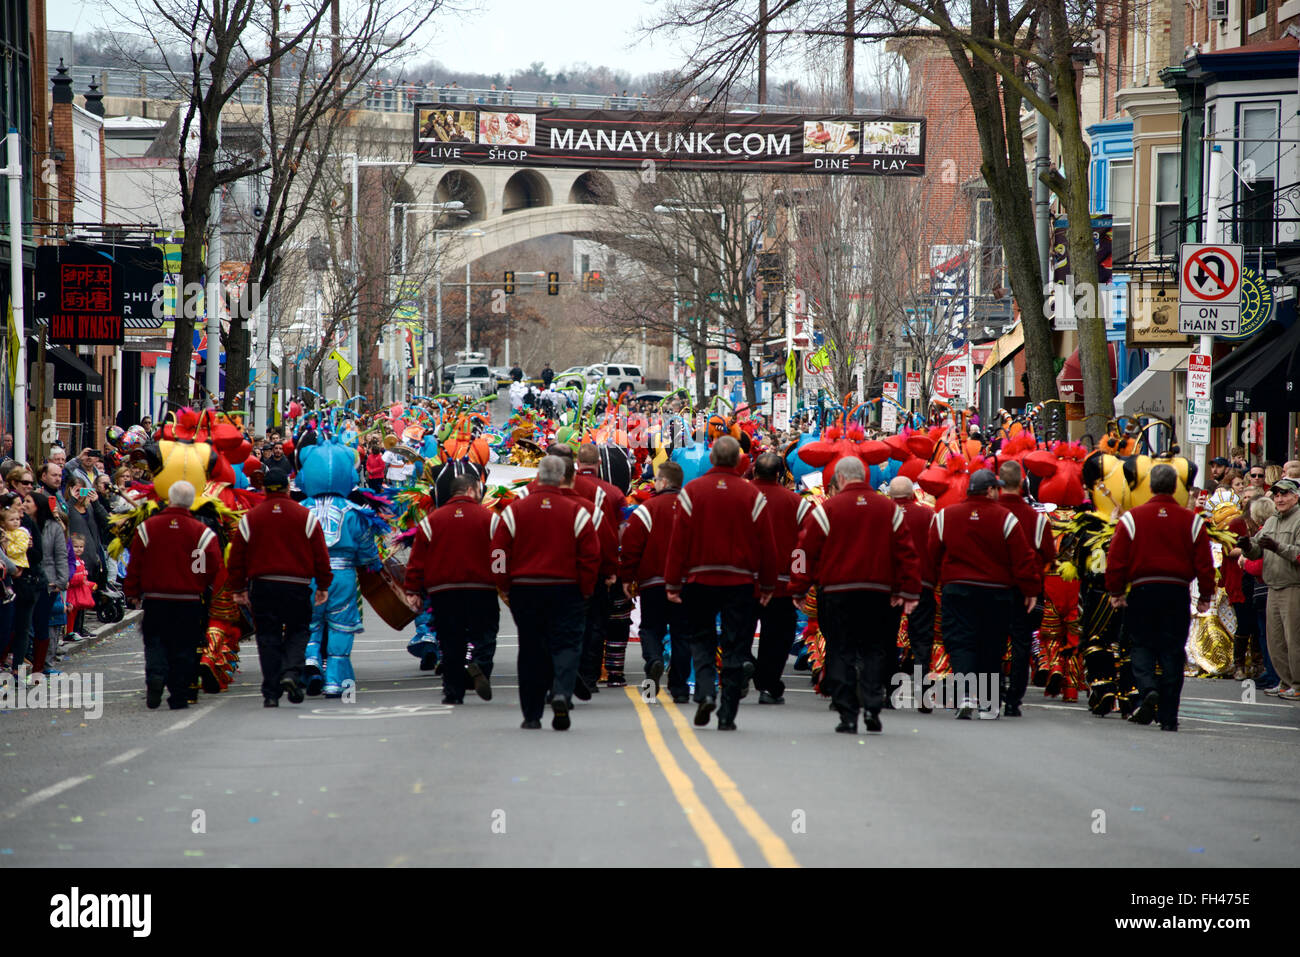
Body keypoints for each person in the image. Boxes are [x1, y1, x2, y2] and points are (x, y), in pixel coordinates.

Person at [792, 457, 921, 734]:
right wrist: (908, 589)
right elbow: (907, 552)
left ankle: (847, 713)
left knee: (840, 649)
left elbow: (801, 551)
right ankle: (873, 705)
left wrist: (798, 585)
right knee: (876, 648)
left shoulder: (827, 509)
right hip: (878, 591)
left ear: (839, 478)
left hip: (837, 590)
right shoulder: (888, 508)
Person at [664, 435, 778, 731]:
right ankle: (727, 712)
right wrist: (767, 585)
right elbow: (767, 544)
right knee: (735, 646)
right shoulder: (752, 495)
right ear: (738, 461)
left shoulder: (692, 492)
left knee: (701, 639)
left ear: (712, 459)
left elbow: (678, 542)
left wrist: (673, 582)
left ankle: (705, 691)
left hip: (699, 579)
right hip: (740, 581)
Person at [490, 455, 600, 730]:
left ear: (537, 477)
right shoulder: (577, 512)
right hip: (567, 588)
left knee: (530, 648)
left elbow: (498, 552)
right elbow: (590, 556)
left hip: (525, 588)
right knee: (567, 644)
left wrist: (503, 582)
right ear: (563, 478)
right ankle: (561, 692)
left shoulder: (515, 510)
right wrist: (586, 588)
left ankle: (532, 714)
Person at [1106, 465, 1215, 730]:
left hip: (1142, 589)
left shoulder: (1132, 518)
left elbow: (1116, 559)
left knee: (1141, 645)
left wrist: (1116, 592)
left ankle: (1148, 689)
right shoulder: (1191, 521)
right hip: (1176, 591)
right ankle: (1169, 717)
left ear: (1150, 486)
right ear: (1175, 488)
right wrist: (1205, 594)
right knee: (1172, 651)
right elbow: (1205, 561)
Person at [928, 468, 1041, 720]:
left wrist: (933, 582)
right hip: (996, 591)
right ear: (990, 490)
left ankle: (967, 694)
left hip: (957, 588)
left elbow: (932, 553)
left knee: (960, 642)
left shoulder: (946, 516)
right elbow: (1022, 558)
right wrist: (1030, 589)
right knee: (992, 643)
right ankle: (989, 701)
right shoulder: (1005, 518)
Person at [226, 467, 333, 708]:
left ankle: (271, 693)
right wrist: (323, 584)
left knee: (268, 636)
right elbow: (320, 553)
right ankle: (291, 673)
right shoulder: (305, 516)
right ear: (287, 488)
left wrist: (238, 588)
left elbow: (237, 556)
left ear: (264, 488)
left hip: (262, 585)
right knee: (298, 630)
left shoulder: (251, 518)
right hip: (297, 585)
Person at [123, 481, 224, 710]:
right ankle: (179, 695)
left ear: (169, 499)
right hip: (188, 599)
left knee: (155, 642)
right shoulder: (200, 531)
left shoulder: (148, 528)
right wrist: (197, 581)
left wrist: (133, 591)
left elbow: (136, 563)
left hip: (156, 598)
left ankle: (155, 677)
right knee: (184, 647)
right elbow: (209, 564)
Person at [405, 472, 498, 705]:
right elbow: (500, 553)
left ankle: (453, 692)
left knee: (450, 641)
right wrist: (503, 579)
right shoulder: (489, 518)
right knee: (485, 634)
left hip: (443, 590)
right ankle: (479, 665)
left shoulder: (431, 521)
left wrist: (413, 589)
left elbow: (417, 559)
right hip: (482, 588)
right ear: (470, 490)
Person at [620, 460, 690, 701]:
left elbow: (631, 546)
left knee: (651, 630)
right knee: (682, 635)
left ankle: (653, 667)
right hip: (685, 583)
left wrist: (627, 578)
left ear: (664, 481)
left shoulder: (646, 510)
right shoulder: (692, 508)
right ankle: (680, 690)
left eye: (656, 479)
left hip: (653, 582)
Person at [996, 461, 1056, 717]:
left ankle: (994, 692)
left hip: (994, 586)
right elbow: (1049, 554)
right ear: (1022, 484)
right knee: (1021, 642)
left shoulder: (992, 513)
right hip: (1025, 589)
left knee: (994, 641)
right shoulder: (1036, 519)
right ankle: (1014, 699)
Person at [750, 452, 809, 705]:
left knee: (737, 632)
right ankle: (769, 685)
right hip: (782, 583)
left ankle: (745, 668)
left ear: (754, 471)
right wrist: (799, 577)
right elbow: (803, 546)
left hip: (744, 580)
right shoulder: (797, 503)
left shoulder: (741, 496)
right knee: (777, 638)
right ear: (779, 474)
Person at [1239, 477, 1300, 701]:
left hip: (1293, 586)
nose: (1280, 499)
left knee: (1294, 640)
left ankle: (1297, 684)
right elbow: (1256, 549)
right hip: (1272, 586)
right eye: (1277, 495)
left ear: (1296, 497)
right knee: (1276, 641)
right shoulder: (1272, 520)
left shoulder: (1298, 519)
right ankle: (1285, 682)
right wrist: (1247, 546)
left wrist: (1277, 546)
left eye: (1285, 494)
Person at [888, 476, 937, 712]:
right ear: (912, 494)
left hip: (889, 586)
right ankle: (923, 691)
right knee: (922, 639)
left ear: (890, 496)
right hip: (921, 584)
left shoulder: (883, 515)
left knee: (886, 638)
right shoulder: (928, 515)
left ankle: (888, 691)